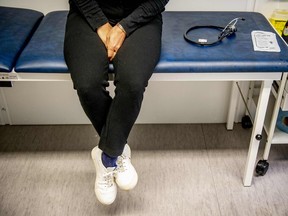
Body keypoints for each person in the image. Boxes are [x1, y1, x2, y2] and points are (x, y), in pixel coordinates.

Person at [64, 0, 169, 205]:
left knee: (132, 83)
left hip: (141, 16)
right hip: (87, 14)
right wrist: (101, 24)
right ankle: (118, 150)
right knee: (87, 84)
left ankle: (107, 156)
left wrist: (123, 28)